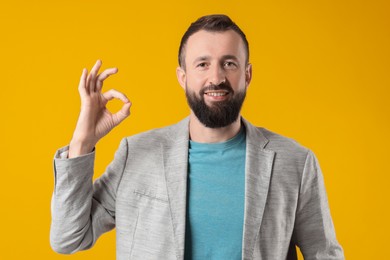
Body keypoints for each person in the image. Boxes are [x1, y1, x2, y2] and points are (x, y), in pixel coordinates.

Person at [50, 14, 344, 260]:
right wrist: (82, 142)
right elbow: (68, 238)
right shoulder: (136, 153)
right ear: (183, 76)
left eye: (229, 63)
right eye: (202, 64)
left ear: (248, 74)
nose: (216, 78)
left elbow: (324, 253)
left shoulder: (295, 162)